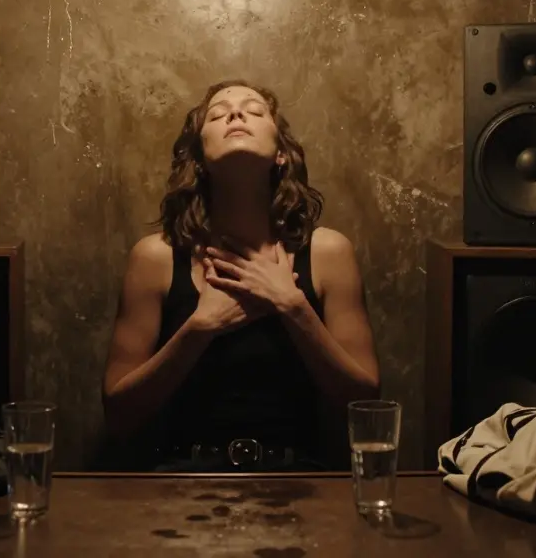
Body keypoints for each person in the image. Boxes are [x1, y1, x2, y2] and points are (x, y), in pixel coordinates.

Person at [101, 80, 381, 472]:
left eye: (253, 110)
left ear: (281, 154)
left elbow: (365, 405)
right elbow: (119, 414)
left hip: (302, 484)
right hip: (181, 486)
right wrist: (199, 328)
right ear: (199, 159)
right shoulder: (156, 258)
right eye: (217, 114)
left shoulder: (328, 253)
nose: (235, 114)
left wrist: (294, 308)